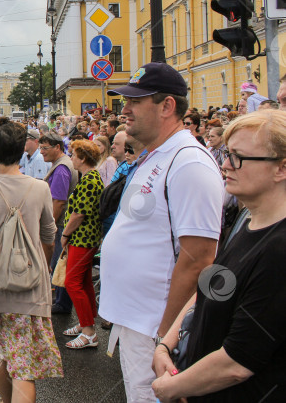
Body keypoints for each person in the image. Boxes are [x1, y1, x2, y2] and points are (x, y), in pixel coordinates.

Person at [99, 62, 224, 402]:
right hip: (140, 320)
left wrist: (165, 337)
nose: (124, 109)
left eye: (135, 101)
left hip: (155, 326)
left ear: (168, 106)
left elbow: (199, 258)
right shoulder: (160, 154)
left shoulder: (189, 162)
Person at [151, 110, 286, 402]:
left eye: (238, 157)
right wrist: (166, 344)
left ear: (281, 169)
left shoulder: (279, 248)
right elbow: (210, 286)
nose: (225, 164)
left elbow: (238, 362)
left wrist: (171, 388)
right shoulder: (248, 220)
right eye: (226, 153)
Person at [0, 117, 62, 403]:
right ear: (22, 151)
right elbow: (49, 236)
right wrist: (43, 266)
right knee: (25, 367)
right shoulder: (40, 188)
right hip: (32, 288)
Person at [60, 139, 104, 349]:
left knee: (72, 283)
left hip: (82, 238)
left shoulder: (90, 180)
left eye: (74, 155)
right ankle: (86, 322)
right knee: (84, 281)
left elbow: (78, 214)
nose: (71, 159)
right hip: (85, 238)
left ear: (83, 158)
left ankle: (89, 332)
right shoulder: (90, 177)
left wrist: (65, 235)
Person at [39, 130, 78, 315]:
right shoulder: (61, 164)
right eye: (40, 148)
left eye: (45, 148)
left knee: (58, 263)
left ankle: (62, 304)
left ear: (57, 147)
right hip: (62, 222)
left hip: (60, 223)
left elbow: (59, 201)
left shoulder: (62, 168)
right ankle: (61, 300)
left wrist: (51, 226)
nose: (41, 152)